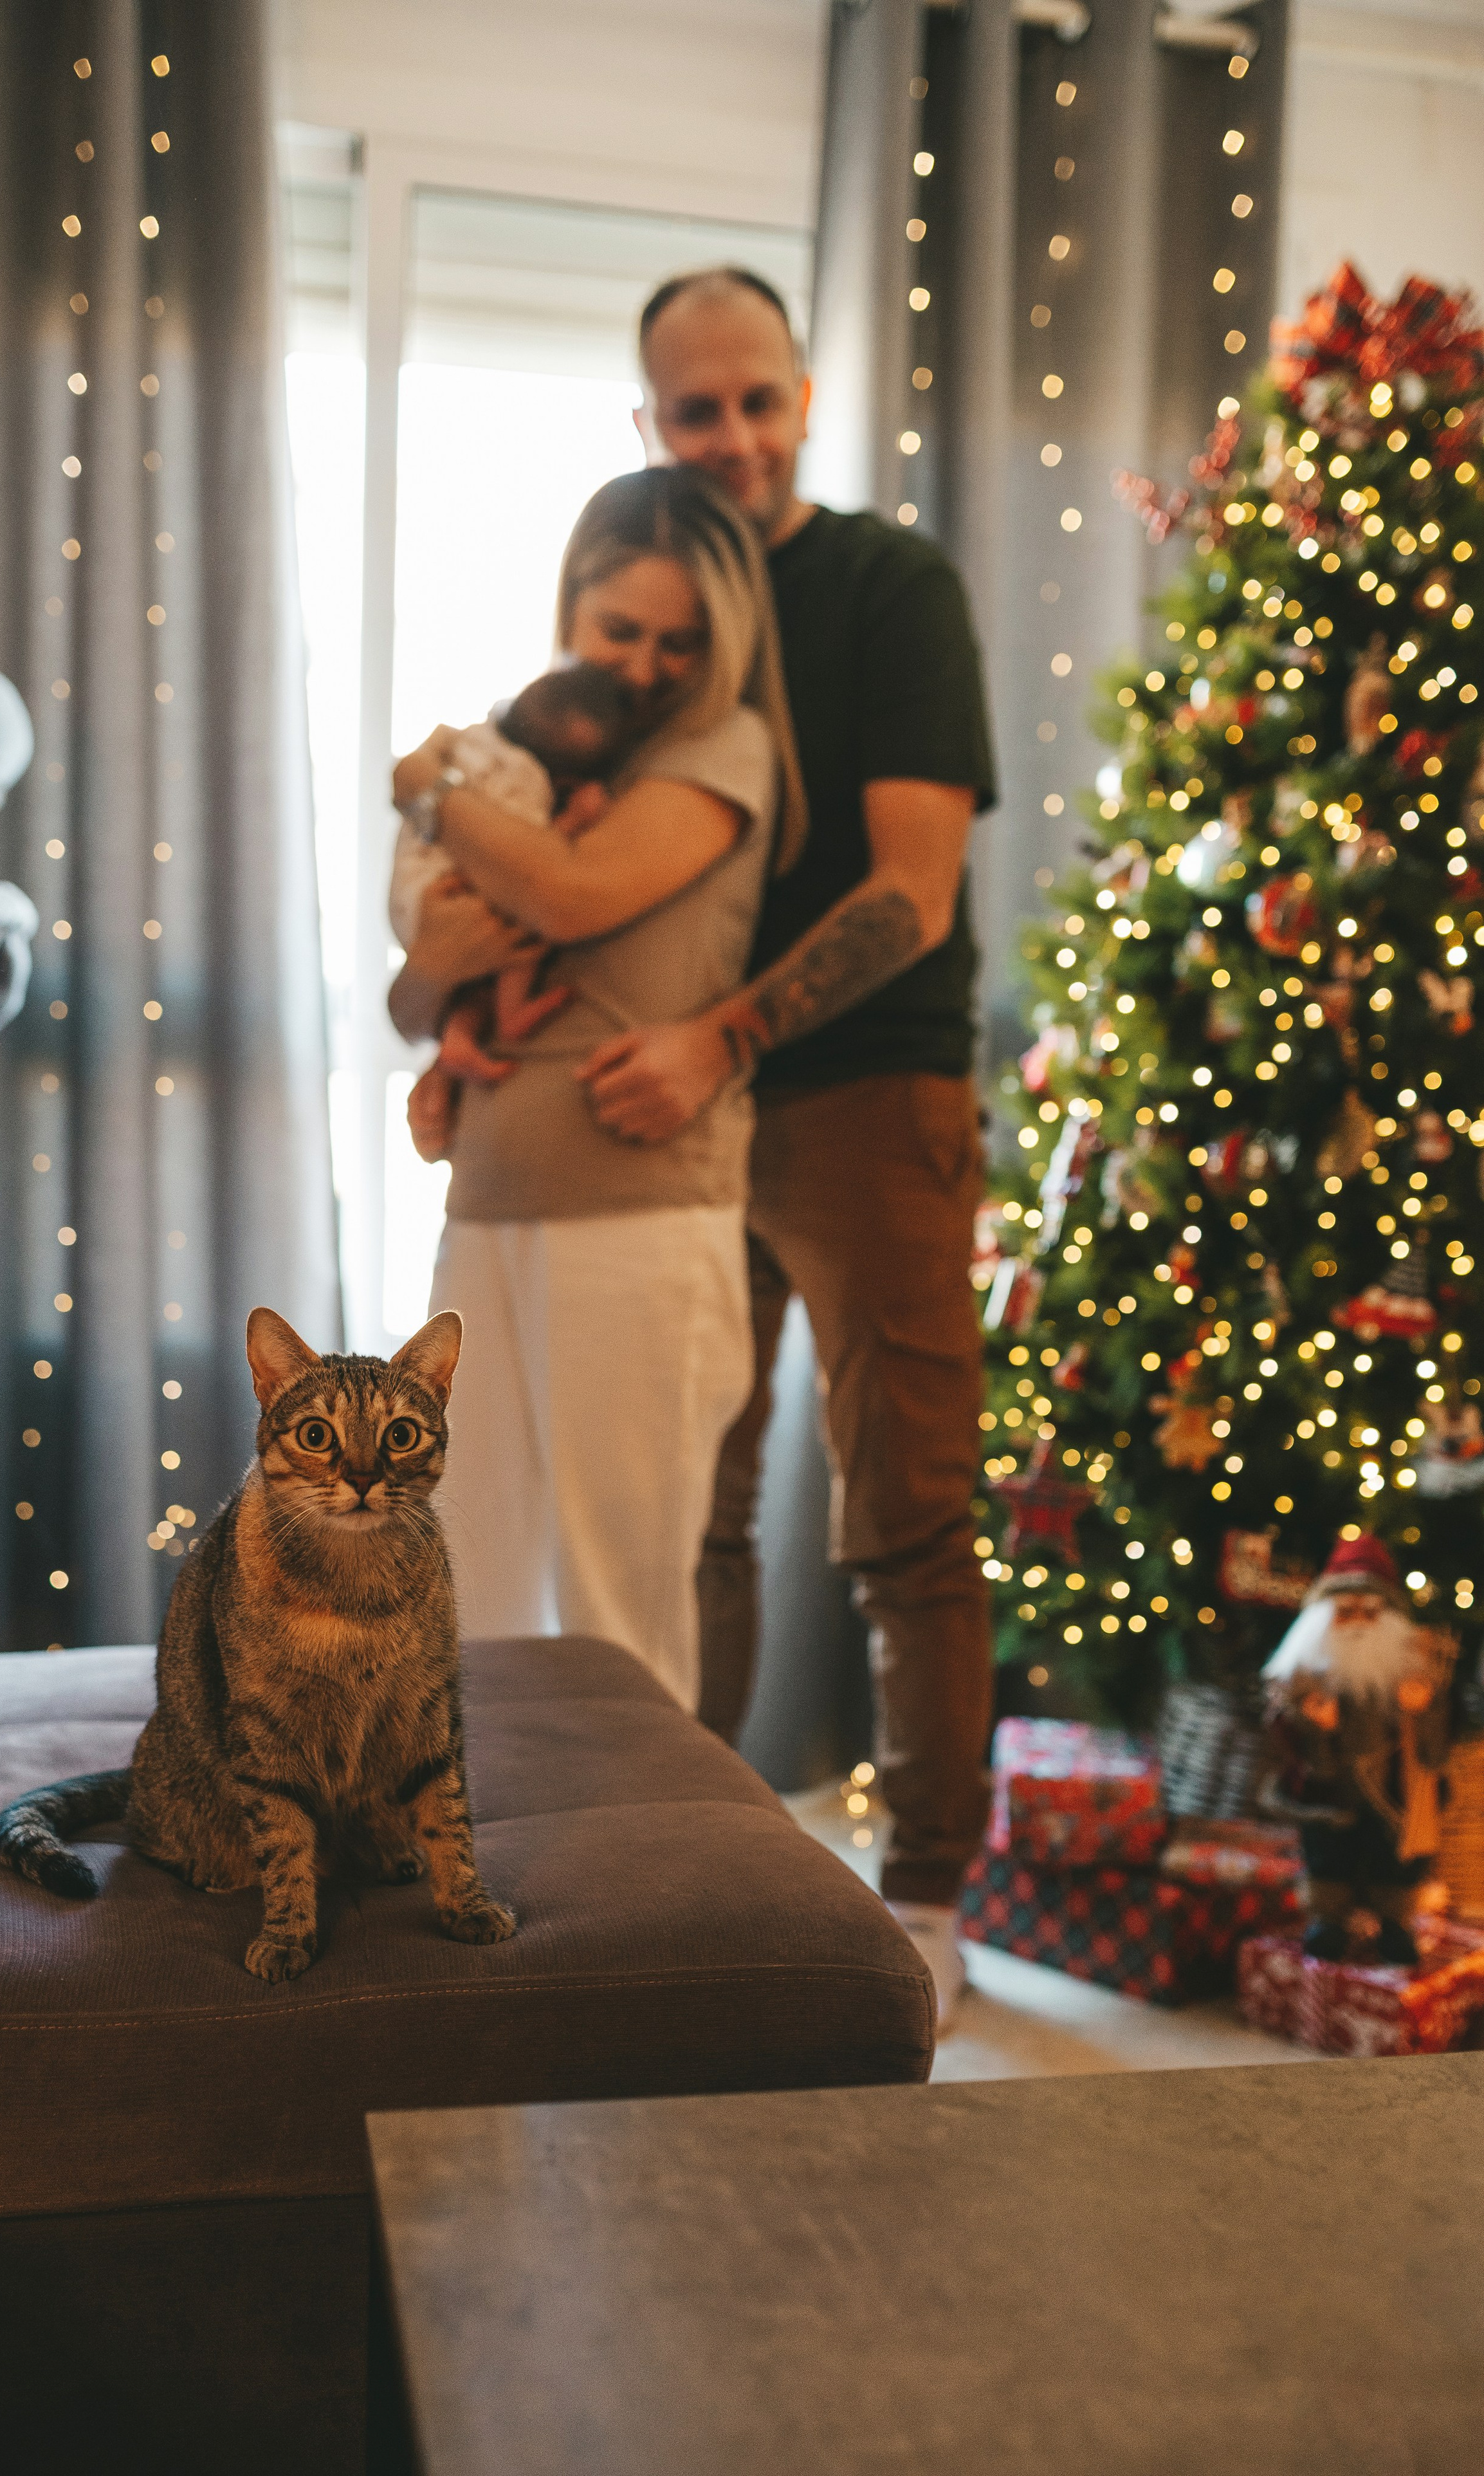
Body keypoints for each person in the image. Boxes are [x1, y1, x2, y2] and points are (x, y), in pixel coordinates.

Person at [577, 267, 997, 2008]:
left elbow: (915, 889)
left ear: (809, 396)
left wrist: (721, 1036)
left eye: (760, 398)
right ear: (650, 429)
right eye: (697, 411)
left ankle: (922, 1910)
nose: (734, 436)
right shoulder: (656, 606)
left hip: (870, 1095)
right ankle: (714, 1870)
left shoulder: (890, 586)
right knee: (692, 1505)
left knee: (909, 1514)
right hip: (686, 1106)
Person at [388, 465, 805, 1710]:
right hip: (487, 1204)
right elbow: (412, 997)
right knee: (462, 1587)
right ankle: (475, 1865)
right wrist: (438, 989)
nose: (643, 668)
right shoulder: (534, 749)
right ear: (571, 605)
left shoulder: (720, 746)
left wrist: (423, 780)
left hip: (639, 1216)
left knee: (621, 1620)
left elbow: (567, 898)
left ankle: (650, 1900)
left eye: (682, 641)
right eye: (619, 630)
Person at [390, 662, 640, 1162]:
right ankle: (512, 1010)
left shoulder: (474, 739)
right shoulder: (523, 781)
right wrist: (575, 819)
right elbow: (531, 864)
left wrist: (417, 778)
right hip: (444, 896)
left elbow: (418, 765)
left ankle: (458, 1036)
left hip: (409, 894)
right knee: (522, 923)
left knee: (479, 958)